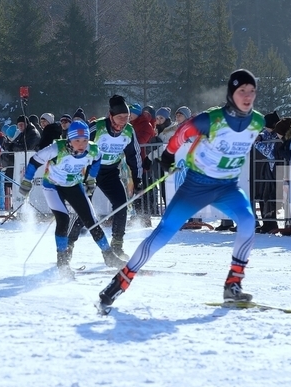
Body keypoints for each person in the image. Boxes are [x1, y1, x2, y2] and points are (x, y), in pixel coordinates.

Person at [97, 69, 265, 311]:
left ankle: (233, 284)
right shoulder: (212, 119)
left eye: (252, 91)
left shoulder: (257, 121)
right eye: (242, 91)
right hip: (197, 186)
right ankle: (119, 282)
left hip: (227, 187)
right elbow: (183, 132)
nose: (247, 96)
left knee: (248, 221)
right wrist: (167, 155)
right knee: (163, 233)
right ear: (231, 93)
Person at [18, 120, 125, 276]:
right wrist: (27, 180)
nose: (81, 144)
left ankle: (108, 255)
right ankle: (62, 261)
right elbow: (35, 161)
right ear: (69, 139)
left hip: (74, 185)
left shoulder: (92, 149)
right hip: (53, 186)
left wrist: (91, 179)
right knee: (63, 220)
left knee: (91, 221)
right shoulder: (57, 148)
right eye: (77, 140)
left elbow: (97, 161)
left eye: (84, 140)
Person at [67, 94, 143, 259]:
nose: (124, 121)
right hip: (90, 172)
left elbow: (134, 156)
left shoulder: (129, 131)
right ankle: (68, 244)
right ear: (111, 116)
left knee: (121, 205)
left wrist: (137, 179)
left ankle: (117, 245)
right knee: (84, 210)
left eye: (127, 117)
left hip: (110, 173)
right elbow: (74, 143)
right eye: (120, 117)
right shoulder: (97, 127)